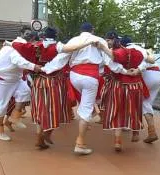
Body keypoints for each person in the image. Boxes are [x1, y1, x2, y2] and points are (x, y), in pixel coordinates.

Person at [41, 23, 128, 155]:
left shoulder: (74, 40)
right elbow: (109, 61)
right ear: (92, 30)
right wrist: (124, 71)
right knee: (86, 108)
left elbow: (62, 57)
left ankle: (86, 119)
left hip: (74, 76)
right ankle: (80, 142)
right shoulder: (99, 40)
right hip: (90, 77)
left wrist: (46, 68)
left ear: (81, 30)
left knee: (85, 103)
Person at [0, 27, 42, 141]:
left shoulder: (17, 45)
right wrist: (34, 67)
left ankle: (14, 117)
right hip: (0, 79)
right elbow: (18, 61)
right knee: (2, 105)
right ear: (31, 40)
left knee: (25, 92)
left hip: (14, 78)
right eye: (35, 44)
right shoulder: (15, 48)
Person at [98, 36, 149, 151]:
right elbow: (146, 61)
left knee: (118, 111)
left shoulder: (118, 52)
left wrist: (126, 72)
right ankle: (135, 132)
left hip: (119, 85)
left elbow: (115, 66)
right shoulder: (139, 52)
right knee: (135, 109)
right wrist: (137, 70)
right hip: (136, 85)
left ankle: (118, 140)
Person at [141, 48, 160, 143]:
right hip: (158, 74)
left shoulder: (131, 49)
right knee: (147, 103)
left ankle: (151, 131)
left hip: (147, 74)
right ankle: (151, 131)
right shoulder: (144, 50)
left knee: (143, 102)